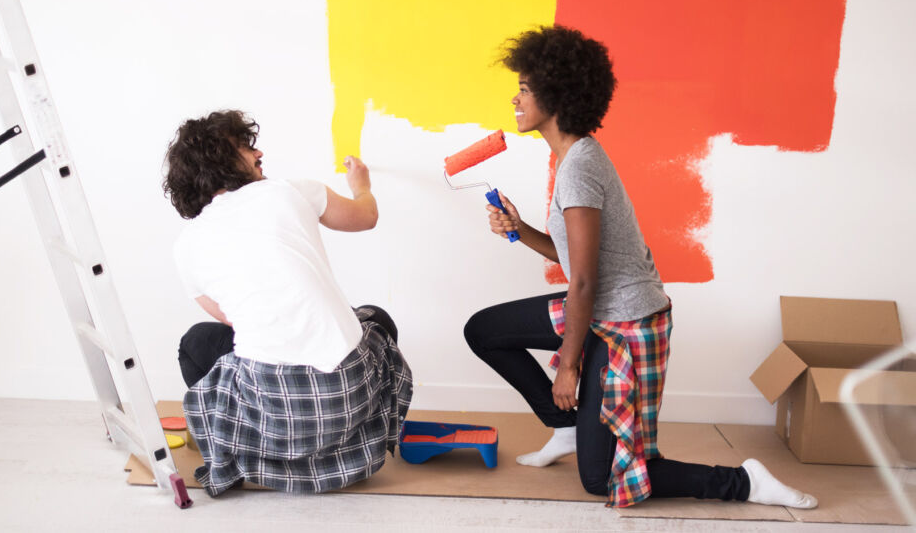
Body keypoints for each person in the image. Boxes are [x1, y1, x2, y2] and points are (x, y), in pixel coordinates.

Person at [463, 25, 817, 509]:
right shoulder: (571, 160)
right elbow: (578, 263)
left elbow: (584, 279)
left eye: (524, 89)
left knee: (604, 480)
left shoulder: (581, 166)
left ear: (557, 95)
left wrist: (568, 368)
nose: (515, 98)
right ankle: (568, 427)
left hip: (627, 324)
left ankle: (747, 482)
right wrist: (519, 229)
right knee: (484, 331)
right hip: (596, 309)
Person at [163, 109, 412, 496]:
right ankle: (349, 450)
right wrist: (361, 185)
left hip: (277, 417)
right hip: (347, 400)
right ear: (218, 160)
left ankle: (238, 449)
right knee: (374, 319)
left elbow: (232, 320)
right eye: (244, 146)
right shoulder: (289, 190)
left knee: (196, 342)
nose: (257, 151)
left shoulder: (185, 246)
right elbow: (366, 217)